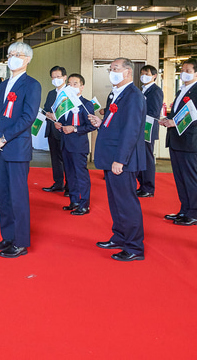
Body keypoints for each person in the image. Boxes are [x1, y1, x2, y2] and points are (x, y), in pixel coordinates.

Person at [0, 42, 41, 258]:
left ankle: (21, 241)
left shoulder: (32, 85)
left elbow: (28, 117)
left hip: (16, 148)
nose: (13, 58)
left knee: (18, 196)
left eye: (18, 54)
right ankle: (7, 236)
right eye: (10, 54)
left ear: (27, 59)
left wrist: (4, 139)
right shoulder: (3, 84)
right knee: (4, 195)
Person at [89, 58, 147, 261]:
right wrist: (101, 122)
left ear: (128, 72)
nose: (111, 72)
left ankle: (134, 246)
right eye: (110, 69)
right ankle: (120, 236)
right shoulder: (116, 94)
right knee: (115, 201)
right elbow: (117, 123)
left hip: (123, 159)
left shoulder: (133, 96)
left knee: (126, 202)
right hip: (111, 155)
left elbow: (131, 130)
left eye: (115, 69)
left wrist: (120, 160)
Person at [158, 58, 197, 226]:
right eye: (182, 70)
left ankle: (194, 213)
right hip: (176, 140)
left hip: (189, 141)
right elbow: (180, 114)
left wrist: (176, 123)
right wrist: (169, 120)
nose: (184, 73)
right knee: (180, 178)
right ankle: (184, 210)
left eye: (188, 71)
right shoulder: (182, 90)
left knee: (190, 178)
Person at [53, 73, 96, 215]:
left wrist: (75, 128)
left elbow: (92, 126)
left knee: (80, 174)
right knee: (70, 174)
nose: (71, 86)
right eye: (69, 84)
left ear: (82, 87)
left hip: (78, 145)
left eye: (75, 84)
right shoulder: (65, 104)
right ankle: (74, 201)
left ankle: (84, 204)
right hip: (65, 144)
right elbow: (64, 122)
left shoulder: (86, 104)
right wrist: (59, 124)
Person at [137, 65, 163, 197]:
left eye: (146, 73)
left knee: (147, 157)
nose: (143, 76)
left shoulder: (155, 91)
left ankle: (148, 187)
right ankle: (142, 184)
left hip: (148, 128)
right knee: (140, 157)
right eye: (142, 73)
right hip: (139, 128)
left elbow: (154, 112)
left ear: (154, 76)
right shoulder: (141, 90)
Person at [42, 66, 68, 194]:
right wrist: (47, 114)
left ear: (64, 77)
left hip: (64, 130)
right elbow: (46, 108)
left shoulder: (69, 93)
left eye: (58, 77)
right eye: (53, 77)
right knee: (55, 158)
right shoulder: (51, 93)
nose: (56, 79)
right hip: (51, 129)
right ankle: (58, 183)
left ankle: (69, 186)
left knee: (66, 159)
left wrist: (57, 116)